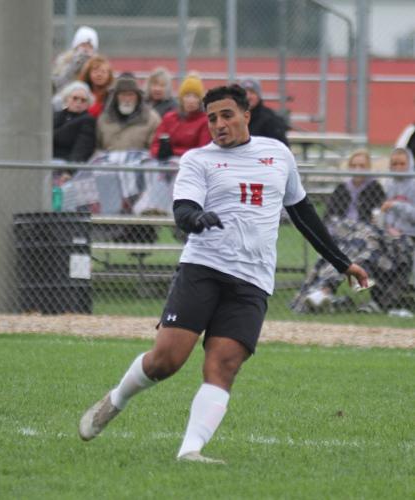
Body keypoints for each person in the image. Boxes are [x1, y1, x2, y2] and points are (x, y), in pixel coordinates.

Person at [78, 84, 368, 463]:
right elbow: (182, 210)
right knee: (166, 361)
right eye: (212, 118)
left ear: (246, 115)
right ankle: (116, 400)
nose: (219, 124)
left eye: (227, 115)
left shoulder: (277, 154)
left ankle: (190, 451)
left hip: (253, 280)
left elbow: (302, 213)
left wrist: (342, 262)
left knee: (224, 364)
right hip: (204, 268)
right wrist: (196, 218)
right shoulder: (199, 160)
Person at [292, 147, 415, 315]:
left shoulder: (379, 188)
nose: (398, 168)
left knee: (355, 244)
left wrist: (395, 207)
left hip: (391, 237)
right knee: (342, 248)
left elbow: (380, 217)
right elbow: (330, 217)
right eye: (394, 164)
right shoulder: (383, 186)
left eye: (402, 164)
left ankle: (322, 290)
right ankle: (319, 292)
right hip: (359, 236)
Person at [150, 73, 212, 161]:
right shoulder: (169, 118)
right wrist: (159, 152)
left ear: (200, 100)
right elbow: (155, 144)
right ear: (181, 98)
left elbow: (201, 152)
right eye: (187, 96)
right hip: (164, 161)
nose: (191, 100)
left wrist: (173, 152)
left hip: (191, 164)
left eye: (195, 96)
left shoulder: (204, 121)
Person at [96, 72, 161, 151]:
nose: (127, 99)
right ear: (116, 97)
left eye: (131, 94)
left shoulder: (151, 119)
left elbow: (155, 150)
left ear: (138, 97)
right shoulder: (104, 119)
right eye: (123, 94)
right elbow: (97, 149)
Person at [324, 149, 385, 225]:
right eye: (353, 166)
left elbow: (379, 212)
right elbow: (330, 213)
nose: (357, 169)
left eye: (362, 166)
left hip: (365, 228)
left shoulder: (375, 188)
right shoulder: (342, 187)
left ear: (368, 168)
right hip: (342, 227)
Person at [53, 81, 96, 166]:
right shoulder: (57, 115)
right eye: (75, 98)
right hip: (47, 160)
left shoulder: (88, 120)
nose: (79, 102)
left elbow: (82, 148)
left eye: (83, 100)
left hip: (66, 163)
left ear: (88, 104)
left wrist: (69, 170)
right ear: (67, 99)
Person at [240, 77, 289, 146]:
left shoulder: (270, 119)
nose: (248, 96)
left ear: (258, 95)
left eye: (252, 92)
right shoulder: (234, 117)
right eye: (244, 92)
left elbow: (282, 147)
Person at [52, 26, 99, 95]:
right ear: (76, 46)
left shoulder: (97, 63)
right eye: (83, 45)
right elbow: (58, 84)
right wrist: (75, 64)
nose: (86, 49)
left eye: (90, 46)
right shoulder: (64, 61)